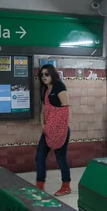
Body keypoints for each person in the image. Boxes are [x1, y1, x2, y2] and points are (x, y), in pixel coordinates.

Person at [36, 64, 72, 196]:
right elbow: (44, 111)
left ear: (52, 74)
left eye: (46, 74)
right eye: (42, 75)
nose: (44, 77)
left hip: (60, 130)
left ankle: (66, 186)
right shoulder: (44, 90)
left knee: (61, 158)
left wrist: (55, 127)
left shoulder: (59, 87)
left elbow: (65, 109)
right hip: (48, 130)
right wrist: (43, 125)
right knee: (39, 156)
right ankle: (40, 186)